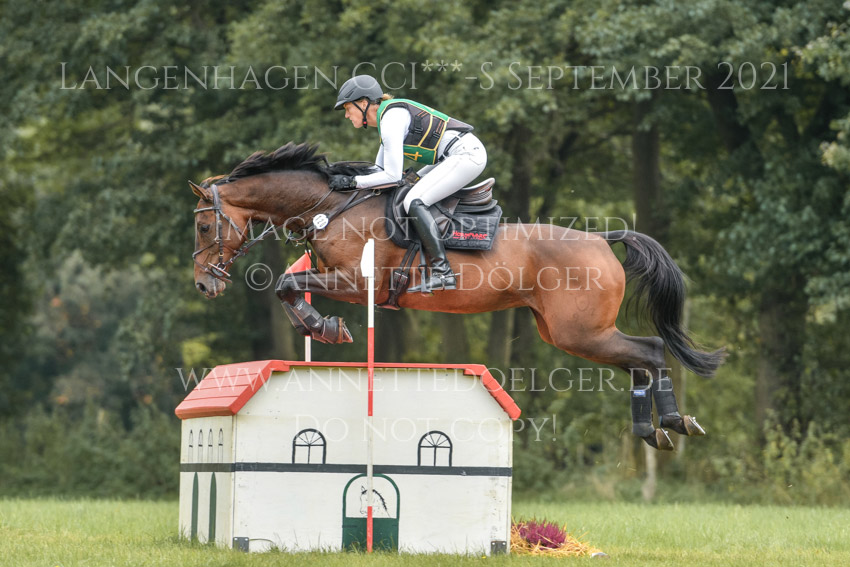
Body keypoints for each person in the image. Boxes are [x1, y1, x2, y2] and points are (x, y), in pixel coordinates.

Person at [329, 75, 487, 293]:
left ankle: (443, 272)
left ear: (364, 103)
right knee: (409, 193)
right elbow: (377, 171)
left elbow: (392, 176)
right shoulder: (387, 119)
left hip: (466, 154)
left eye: (348, 108)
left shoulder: (391, 120)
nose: (346, 115)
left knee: (414, 200)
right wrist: (340, 175)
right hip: (450, 156)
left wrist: (352, 181)